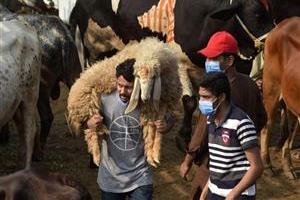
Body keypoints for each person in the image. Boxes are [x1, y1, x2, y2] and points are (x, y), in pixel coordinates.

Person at [179, 31, 266, 200]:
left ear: (229, 60)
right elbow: (261, 118)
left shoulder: (216, 94)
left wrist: (187, 161)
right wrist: (244, 145)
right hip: (239, 166)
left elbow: (201, 133)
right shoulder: (250, 83)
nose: (208, 62)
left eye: (213, 58)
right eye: (207, 58)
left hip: (212, 164)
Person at [86, 58, 174, 200]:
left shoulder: (149, 101)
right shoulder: (104, 98)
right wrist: (90, 124)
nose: (122, 91)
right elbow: (86, 122)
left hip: (140, 176)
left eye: (128, 87)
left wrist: (165, 126)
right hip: (111, 177)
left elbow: (170, 118)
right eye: (119, 85)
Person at [198, 72, 263, 200]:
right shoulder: (210, 119)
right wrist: (206, 191)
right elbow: (218, 163)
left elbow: (257, 167)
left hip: (239, 195)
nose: (201, 102)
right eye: (200, 97)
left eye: (206, 97)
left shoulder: (241, 123)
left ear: (221, 97)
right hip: (215, 192)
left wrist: (233, 195)